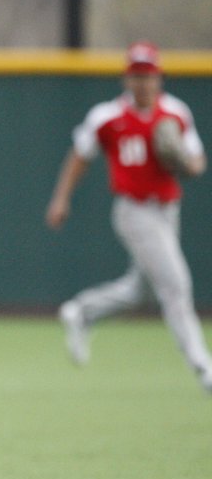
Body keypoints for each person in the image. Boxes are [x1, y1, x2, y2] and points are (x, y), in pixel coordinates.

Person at [45, 40, 212, 393]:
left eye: (148, 75)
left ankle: (83, 311)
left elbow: (198, 159)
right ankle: (204, 367)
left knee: (141, 291)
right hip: (134, 211)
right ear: (126, 79)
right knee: (176, 285)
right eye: (137, 75)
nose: (143, 83)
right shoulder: (107, 117)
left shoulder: (176, 113)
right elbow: (80, 156)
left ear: (159, 78)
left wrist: (186, 163)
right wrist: (61, 199)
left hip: (168, 210)